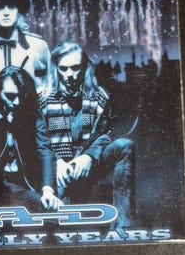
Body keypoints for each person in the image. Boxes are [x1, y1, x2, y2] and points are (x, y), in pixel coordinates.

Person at [42, 41, 135, 230]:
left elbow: (106, 132)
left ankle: (123, 227)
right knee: (58, 224)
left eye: (75, 68)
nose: (69, 74)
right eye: (64, 68)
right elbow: (37, 140)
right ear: (56, 68)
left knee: (125, 145)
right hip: (57, 169)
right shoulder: (43, 98)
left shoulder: (99, 96)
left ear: (84, 67)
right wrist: (56, 162)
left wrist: (89, 157)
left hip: (89, 163)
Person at [0, 66, 62, 213]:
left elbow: (44, 150)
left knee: (51, 211)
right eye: (10, 96)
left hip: (23, 184)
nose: (16, 102)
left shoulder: (33, 114)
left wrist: (48, 190)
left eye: (21, 96)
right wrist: (0, 122)